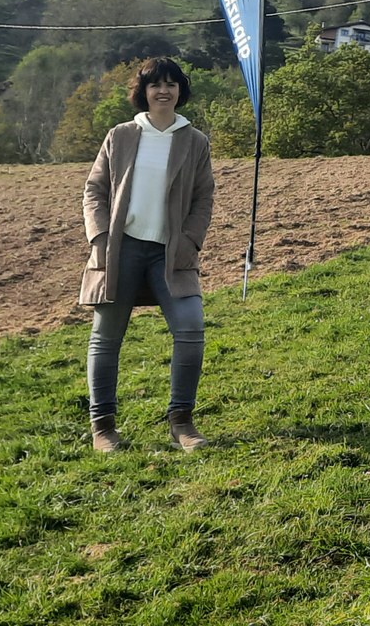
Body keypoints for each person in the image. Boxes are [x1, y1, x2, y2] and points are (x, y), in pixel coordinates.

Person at [81, 57, 215, 452]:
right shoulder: (120, 135)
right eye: (156, 84)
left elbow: (204, 197)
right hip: (120, 249)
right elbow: (94, 190)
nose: (164, 90)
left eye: (172, 84)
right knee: (106, 338)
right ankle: (103, 428)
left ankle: (182, 423)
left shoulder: (195, 141)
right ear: (143, 91)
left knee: (191, 330)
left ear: (180, 92)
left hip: (171, 253)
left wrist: (190, 240)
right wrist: (101, 238)